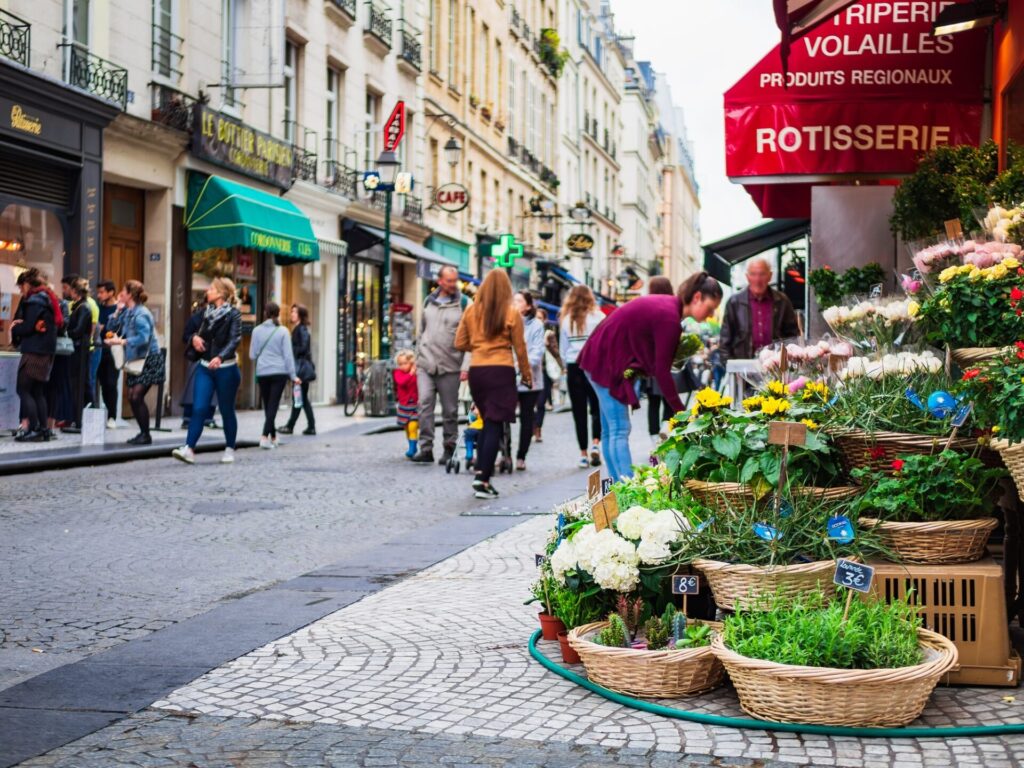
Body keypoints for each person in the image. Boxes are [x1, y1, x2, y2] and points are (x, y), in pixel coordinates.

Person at [578, 272, 723, 481]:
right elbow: (662, 372)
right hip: (606, 361)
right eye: (710, 308)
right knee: (619, 429)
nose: (710, 315)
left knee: (611, 430)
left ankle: (615, 487)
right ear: (697, 297)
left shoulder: (668, 307)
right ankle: (624, 488)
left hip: (600, 356)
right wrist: (683, 414)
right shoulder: (670, 317)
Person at [455, 269, 530, 499]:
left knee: (487, 420)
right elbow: (520, 347)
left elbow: (459, 342)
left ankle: (482, 475)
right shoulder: (511, 312)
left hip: (477, 371)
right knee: (494, 424)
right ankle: (482, 478)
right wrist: (527, 374)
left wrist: (479, 348)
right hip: (501, 371)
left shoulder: (471, 310)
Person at [172, 277, 242, 464]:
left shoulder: (233, 314)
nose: (207, 291)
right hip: (204, 367)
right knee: (199, 408)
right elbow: (189, 332)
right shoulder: (204, 313)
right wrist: (194, 338)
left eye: (211, 289)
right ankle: (189, 449)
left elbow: (234, 339)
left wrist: (220, 357)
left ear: (221, 293)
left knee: (226, 410)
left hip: (226, 369)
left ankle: (229, 449)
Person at [412, 265, 468, 465]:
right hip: (426, 363)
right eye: (450, 280)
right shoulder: (428, 301)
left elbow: (470, 338)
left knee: (450, 410)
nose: (454, 284)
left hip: (450, 364)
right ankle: (425, 448)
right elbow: (421, 331)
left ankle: (449, 448)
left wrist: (465, 366)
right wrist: (417, 356)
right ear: (440, 281)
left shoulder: (463, 303)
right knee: (424, 404)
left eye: (455, 280)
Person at [105, 280, 163, 445]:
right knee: (132, 396)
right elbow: (111, 327)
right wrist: (117, 311)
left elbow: (143, 338)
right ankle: (143, 433)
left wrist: (122, 342)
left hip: (148, 359)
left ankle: (146, 435)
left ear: (130, 294)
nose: (121, 293)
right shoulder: (128, 311)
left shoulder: (141, 314)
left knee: (136, 396)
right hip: (136, 359)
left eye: (123, 290)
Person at [719, 258, 800, 364]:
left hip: (775, 368)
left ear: (770, 276)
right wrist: (732, 368)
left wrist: (788, 363)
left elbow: (793, 337)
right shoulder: (734, 302)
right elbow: (725, 342)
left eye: (762, 274)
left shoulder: (782, 301)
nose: (757, 279)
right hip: (743, 369)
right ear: (747, 277)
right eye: (753, 274)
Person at [11, 269, 59, 442]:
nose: (21, 291)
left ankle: (33, 429)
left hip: (34, 352)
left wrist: (15, 328)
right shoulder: (48, 299)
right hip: (46, 352)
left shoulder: (34, 301)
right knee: (37, 392)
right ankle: (44, 430)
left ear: (27, 284)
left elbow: (29, 326)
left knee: (23, 389)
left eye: (21, 287)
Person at [559, 285, 604, 469]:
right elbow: (603, 345)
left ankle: (583, 454)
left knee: (579, 412)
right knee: (596, 408)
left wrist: (566, 366)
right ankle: (595, 443)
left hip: (574, 366)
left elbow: (563, 350)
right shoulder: (599, 317)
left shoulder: (566, 320)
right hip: (594, 366)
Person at [250, 302, 297, 450]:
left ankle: (274, 437)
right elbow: (288, 356)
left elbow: (252, 355)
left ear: (265, 313)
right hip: (279, 372)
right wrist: (293, 375)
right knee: (273, 406)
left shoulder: (256, 331)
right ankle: (264, 437)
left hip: (263, 372)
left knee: (268, 406)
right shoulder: (283, 331)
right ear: (278, 314)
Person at [513, 290, 544, 471]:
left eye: (519, 301)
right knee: (502, 417)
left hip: (529, 380)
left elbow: (537, 352)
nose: (515, 303)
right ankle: (505, 453)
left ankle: (521, 456)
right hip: (507, 378)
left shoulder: (536, 325)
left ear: (528, 305)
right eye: (513, 300)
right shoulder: (507, 322)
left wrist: (520, 365)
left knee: (526, 419)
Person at [644, 276, 676, 444]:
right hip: (668, 363)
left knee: (653, 402)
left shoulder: (646, 309)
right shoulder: (672, 307)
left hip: (651, 364)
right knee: (669, 398)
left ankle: (653, 437)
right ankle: (666, 426)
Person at [279, 303, 316, 435]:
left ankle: (291, 426)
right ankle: (309, 426)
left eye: (295, 312)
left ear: (300, 315)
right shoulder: (299, 329)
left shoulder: (301, 329)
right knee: (301, 399)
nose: (292, 314)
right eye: (292, 311)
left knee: (299, 399)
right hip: (300, 368)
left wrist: (290, 349)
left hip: (300, 369)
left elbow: (303, 348)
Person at [64, 277, 94, 433]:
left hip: (80, 351)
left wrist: (66, 331)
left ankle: (81, 420)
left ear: (75, 292)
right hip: (78, 351)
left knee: (80, 385)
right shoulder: (79, 306)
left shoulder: (83, 308)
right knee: (77, 386)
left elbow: (78, 331)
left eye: (71, 290)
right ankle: (78, 419)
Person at [95, 280, 120, 426]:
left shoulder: (118, 309)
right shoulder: (98, 308)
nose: (99, 295)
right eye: (98, 292)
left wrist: (104, 329)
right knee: (102, 384)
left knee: (110, 383)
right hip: (98, 349)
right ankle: (102, 414)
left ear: (111, 292)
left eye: (102, 292)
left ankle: (112, 417)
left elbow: (117, 330)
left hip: (112, 351)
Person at [536, 325, 563, 443]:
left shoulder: (549, 334)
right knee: (530, 404)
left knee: (541, 403)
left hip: (544, 372)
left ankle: (538, 429)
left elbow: (557, 352)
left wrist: (547, 345)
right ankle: (531, 427)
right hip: (530, 371)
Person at [393, 349, 419, 458]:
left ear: (412, 363)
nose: (402, 366)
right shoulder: (397, 373)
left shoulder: (417, 373)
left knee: (413, 426)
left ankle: (412, 448)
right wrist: (410, 374)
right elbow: (401, 382)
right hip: (404, 405)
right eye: (400, 364)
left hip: (416, 405)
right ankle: (411, 445)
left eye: (405, 363)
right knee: (407, 427)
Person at [463, 403, 483, 469]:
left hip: (473, 428)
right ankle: (480, 459)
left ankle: (469, 452)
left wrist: (472, 411)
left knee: (468, 435)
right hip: (484, 429)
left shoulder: (477, 405)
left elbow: (471, 418)